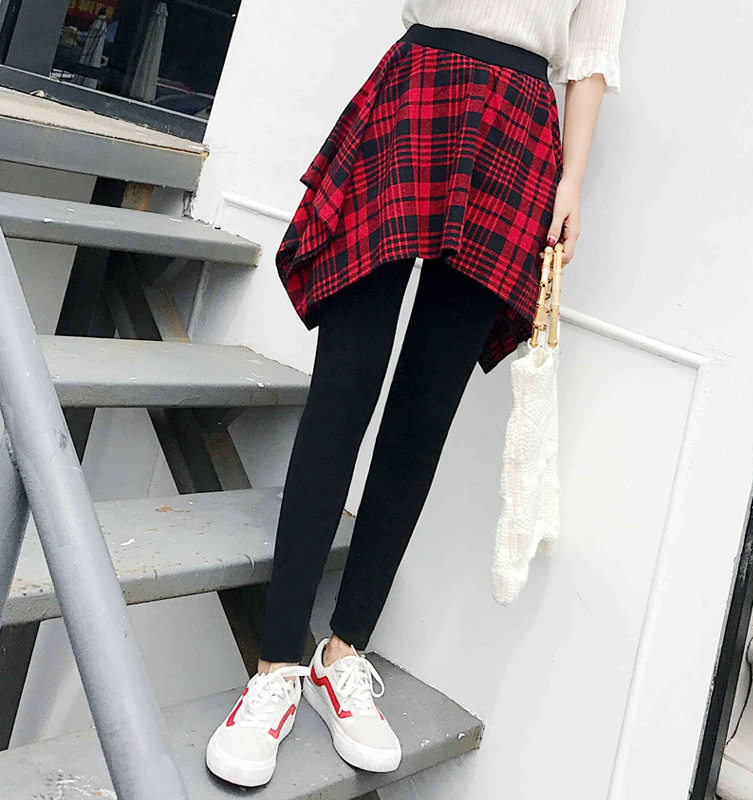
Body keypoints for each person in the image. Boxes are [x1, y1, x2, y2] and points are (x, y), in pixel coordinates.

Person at [206, 0, 626, 787]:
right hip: (419, 89)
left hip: (519, 126)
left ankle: (343, 654)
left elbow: (591, 53)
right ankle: (275, 668)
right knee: (342, 394)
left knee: (423, 416)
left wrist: (573, 182)